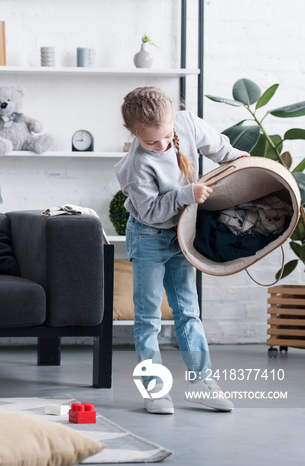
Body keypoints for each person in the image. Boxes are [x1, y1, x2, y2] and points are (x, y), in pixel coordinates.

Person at [115, 86, 250, 415]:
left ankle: (202, 382)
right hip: (148, 237)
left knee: (188, 311)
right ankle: (154, 389)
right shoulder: (134, 166)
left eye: (165, 137)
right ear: (132, 133)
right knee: (148, 317)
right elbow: (151, 211)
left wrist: (236, 158)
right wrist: (187, 193)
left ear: (174, 119)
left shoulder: (187, 124)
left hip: (183, 235)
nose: (161, 146)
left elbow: (218, 146)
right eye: (150, 143)